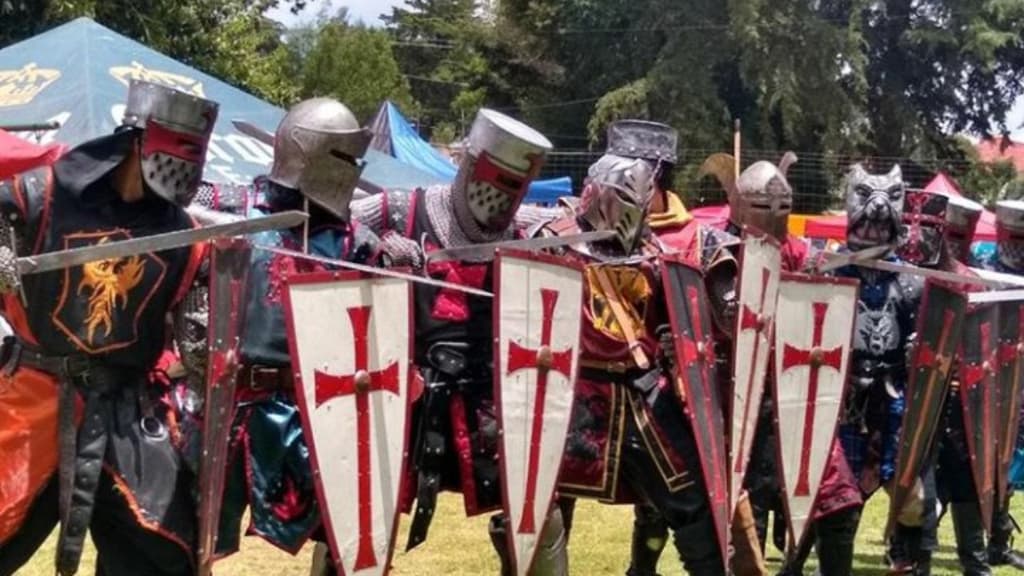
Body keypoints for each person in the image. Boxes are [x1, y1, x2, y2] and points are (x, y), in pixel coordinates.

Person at [0, 80, 216, 576]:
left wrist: (205, 347)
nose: (185, 163)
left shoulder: (187, 234)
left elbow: (199, 343)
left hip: (127, 410)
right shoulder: (35, 195)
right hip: (32, 397)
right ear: (135, 137)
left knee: (162, 552)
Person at [350, 108, 568, 575]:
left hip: (488, 398)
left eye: (516, 185)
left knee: (536, 516)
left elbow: (580, 220)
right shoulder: (396, 209)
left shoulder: (525, 227)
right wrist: (375, 246)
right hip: (404, 395)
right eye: (495, 178)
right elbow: (338, 220)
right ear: (468, 164)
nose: (502, 196)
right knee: (358, 516)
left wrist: (558, 236)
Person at [183, 98, 380, 569]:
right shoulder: (228, 207)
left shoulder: (357, 241)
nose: (351, 171)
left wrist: (397, 255)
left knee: (342, 534)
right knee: (191, 536)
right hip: (226, 403)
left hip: (315, 410)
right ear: (305, 152)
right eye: (342, 158)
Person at [534, 152, 726, 575]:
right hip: (570, 397)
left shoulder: (656, 252)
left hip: (641, 395)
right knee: (533, 504)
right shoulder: (552, 239)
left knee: (695, 500)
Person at [931, 194, 992, 575]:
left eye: (959, 236)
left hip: (964, 402)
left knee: (967, 479)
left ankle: (976, 563)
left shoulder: (980, 286)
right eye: (948, 234)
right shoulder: (920, 278)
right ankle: (910, 557)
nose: (953, 244)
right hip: (924, 402)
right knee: (919, 485)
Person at [974, 200, 1024, 571]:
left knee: (1008, 463)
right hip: (985, 379)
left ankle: (998, 541)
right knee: (981, 460)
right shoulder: (982, 269)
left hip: (1021, 381)